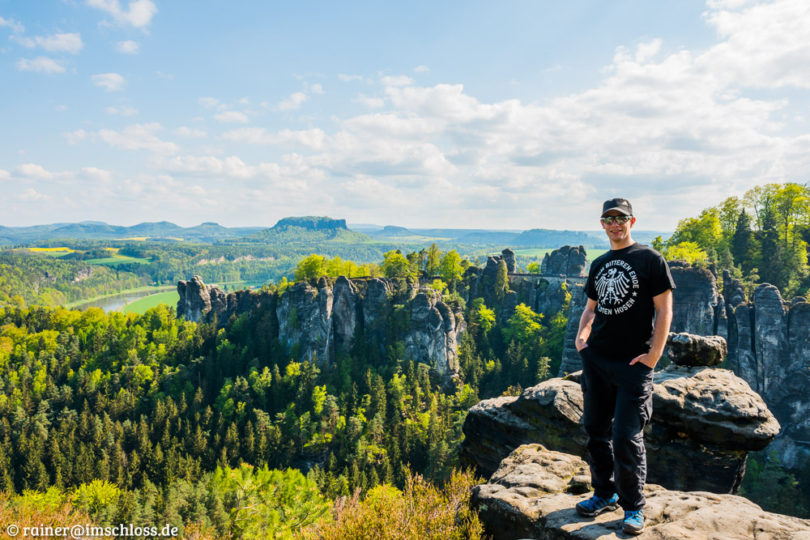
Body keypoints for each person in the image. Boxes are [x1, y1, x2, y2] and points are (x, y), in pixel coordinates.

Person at [573, 198, 675, 535]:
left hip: (634, 364)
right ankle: (604, 493)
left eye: (621, 219)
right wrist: (582, 337)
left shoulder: (650, 259)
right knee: (595, 431)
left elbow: (664, 310)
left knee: (625, 437)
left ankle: (633, 508)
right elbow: (591, 307)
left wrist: (653, 356)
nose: (615, 225)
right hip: (598, 359)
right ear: (602, 224)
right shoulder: (600, 263)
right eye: (609, 220)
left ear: (632, 221)